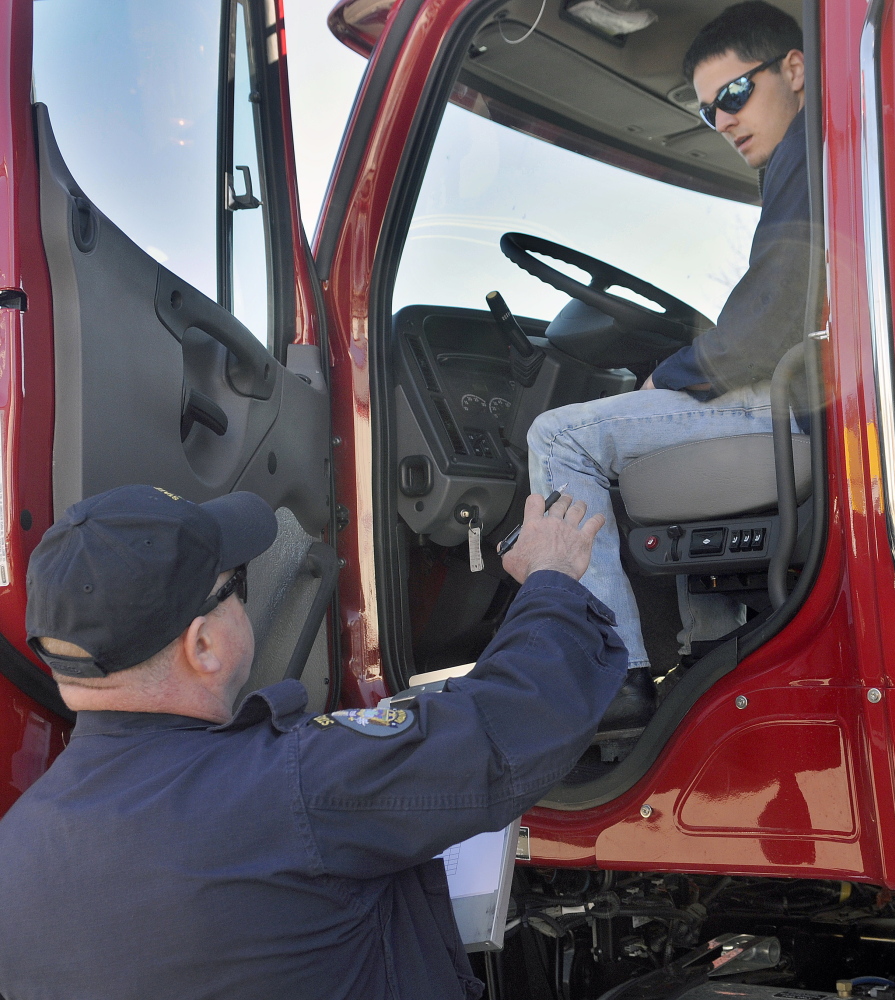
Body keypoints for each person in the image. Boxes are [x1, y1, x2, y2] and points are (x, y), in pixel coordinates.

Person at [0, 483, 626, 1000]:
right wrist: (551, 580)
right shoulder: (295, 786)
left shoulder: (16, 845)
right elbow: (517, 722)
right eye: (237, 585)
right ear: (203, 646)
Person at [527, 1, 811, 746]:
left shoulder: (809, 153)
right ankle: (703, 654)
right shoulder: (821, 157)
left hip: (794, 405)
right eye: (709, 110)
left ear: (794, 68)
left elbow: (773, 312)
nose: (723, 120)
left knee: (560, 437)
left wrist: (674, 373)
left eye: (736, 95)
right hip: (811, 400)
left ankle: (608, 674)